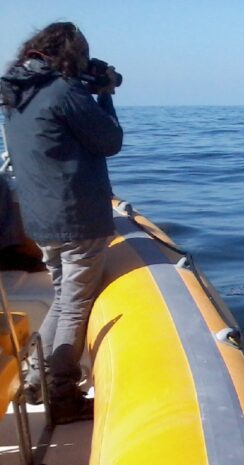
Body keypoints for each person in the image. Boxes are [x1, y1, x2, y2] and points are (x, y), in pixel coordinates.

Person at [0, 22, 122, 423]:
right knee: (73, 306)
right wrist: (104, 95)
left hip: (41, 221)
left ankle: (36, 378)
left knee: (63, 298)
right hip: (77, 219)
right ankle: (62, 394)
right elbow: (109, 141)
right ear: (73, 55)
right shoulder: (64, 90)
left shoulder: (17, 92)